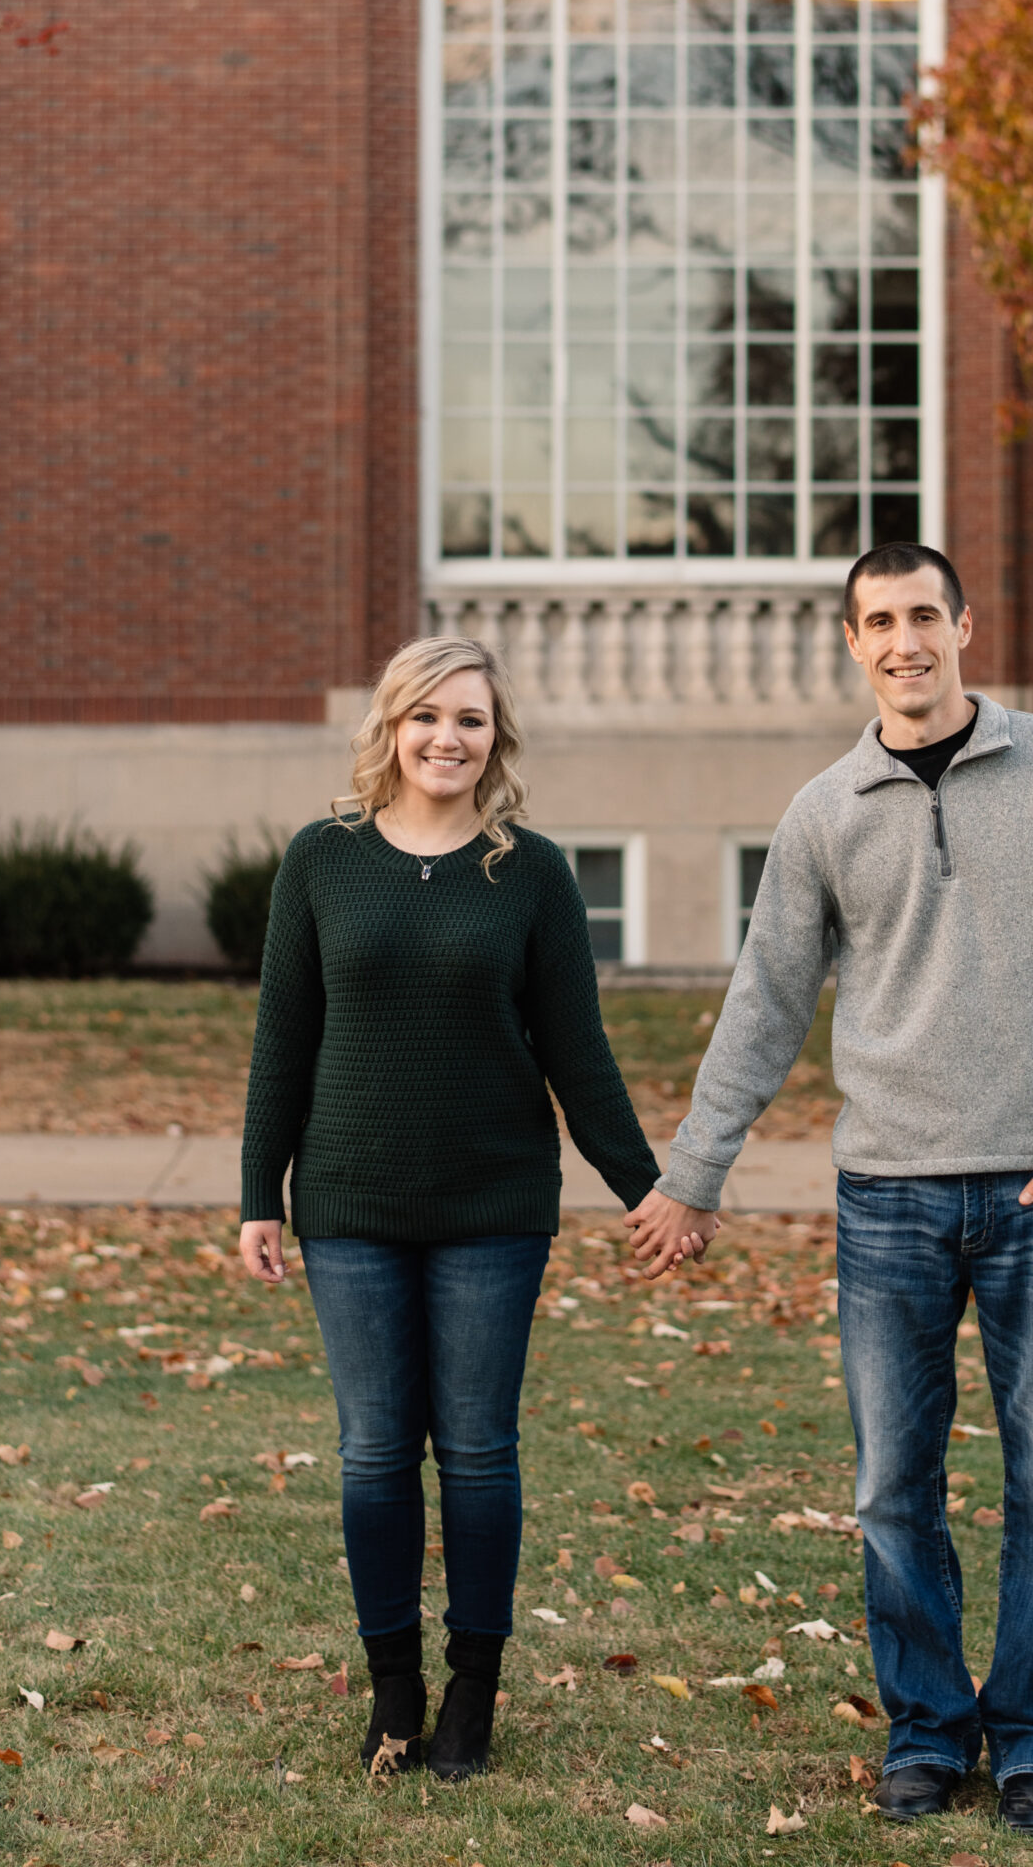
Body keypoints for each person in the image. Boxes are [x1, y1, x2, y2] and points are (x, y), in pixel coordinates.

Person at [628, 544, 1033, 1835]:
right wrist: (692, 1174)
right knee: (887, 1490)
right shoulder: (824, 811)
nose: (904, 640)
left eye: (924, 615)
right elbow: (762, 1005)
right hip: (888, 1200)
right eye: (878, 622)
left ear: (964, 626)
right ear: (852, 645)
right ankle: (924, 1731)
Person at [237, 635, 695, 1782]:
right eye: (428, 715)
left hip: (494, 1206)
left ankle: (473, 1697)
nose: (449, 737)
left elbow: (575, 1051)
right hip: (349, 1202)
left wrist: (653, 1187)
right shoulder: (322, 861)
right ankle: (394, 1687)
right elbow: (282, 1039)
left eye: (472, 720)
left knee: (480, 1452)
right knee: (376, 1452)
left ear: (498, 740)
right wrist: (261, 1195)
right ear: (392, 726)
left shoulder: (529, 872)